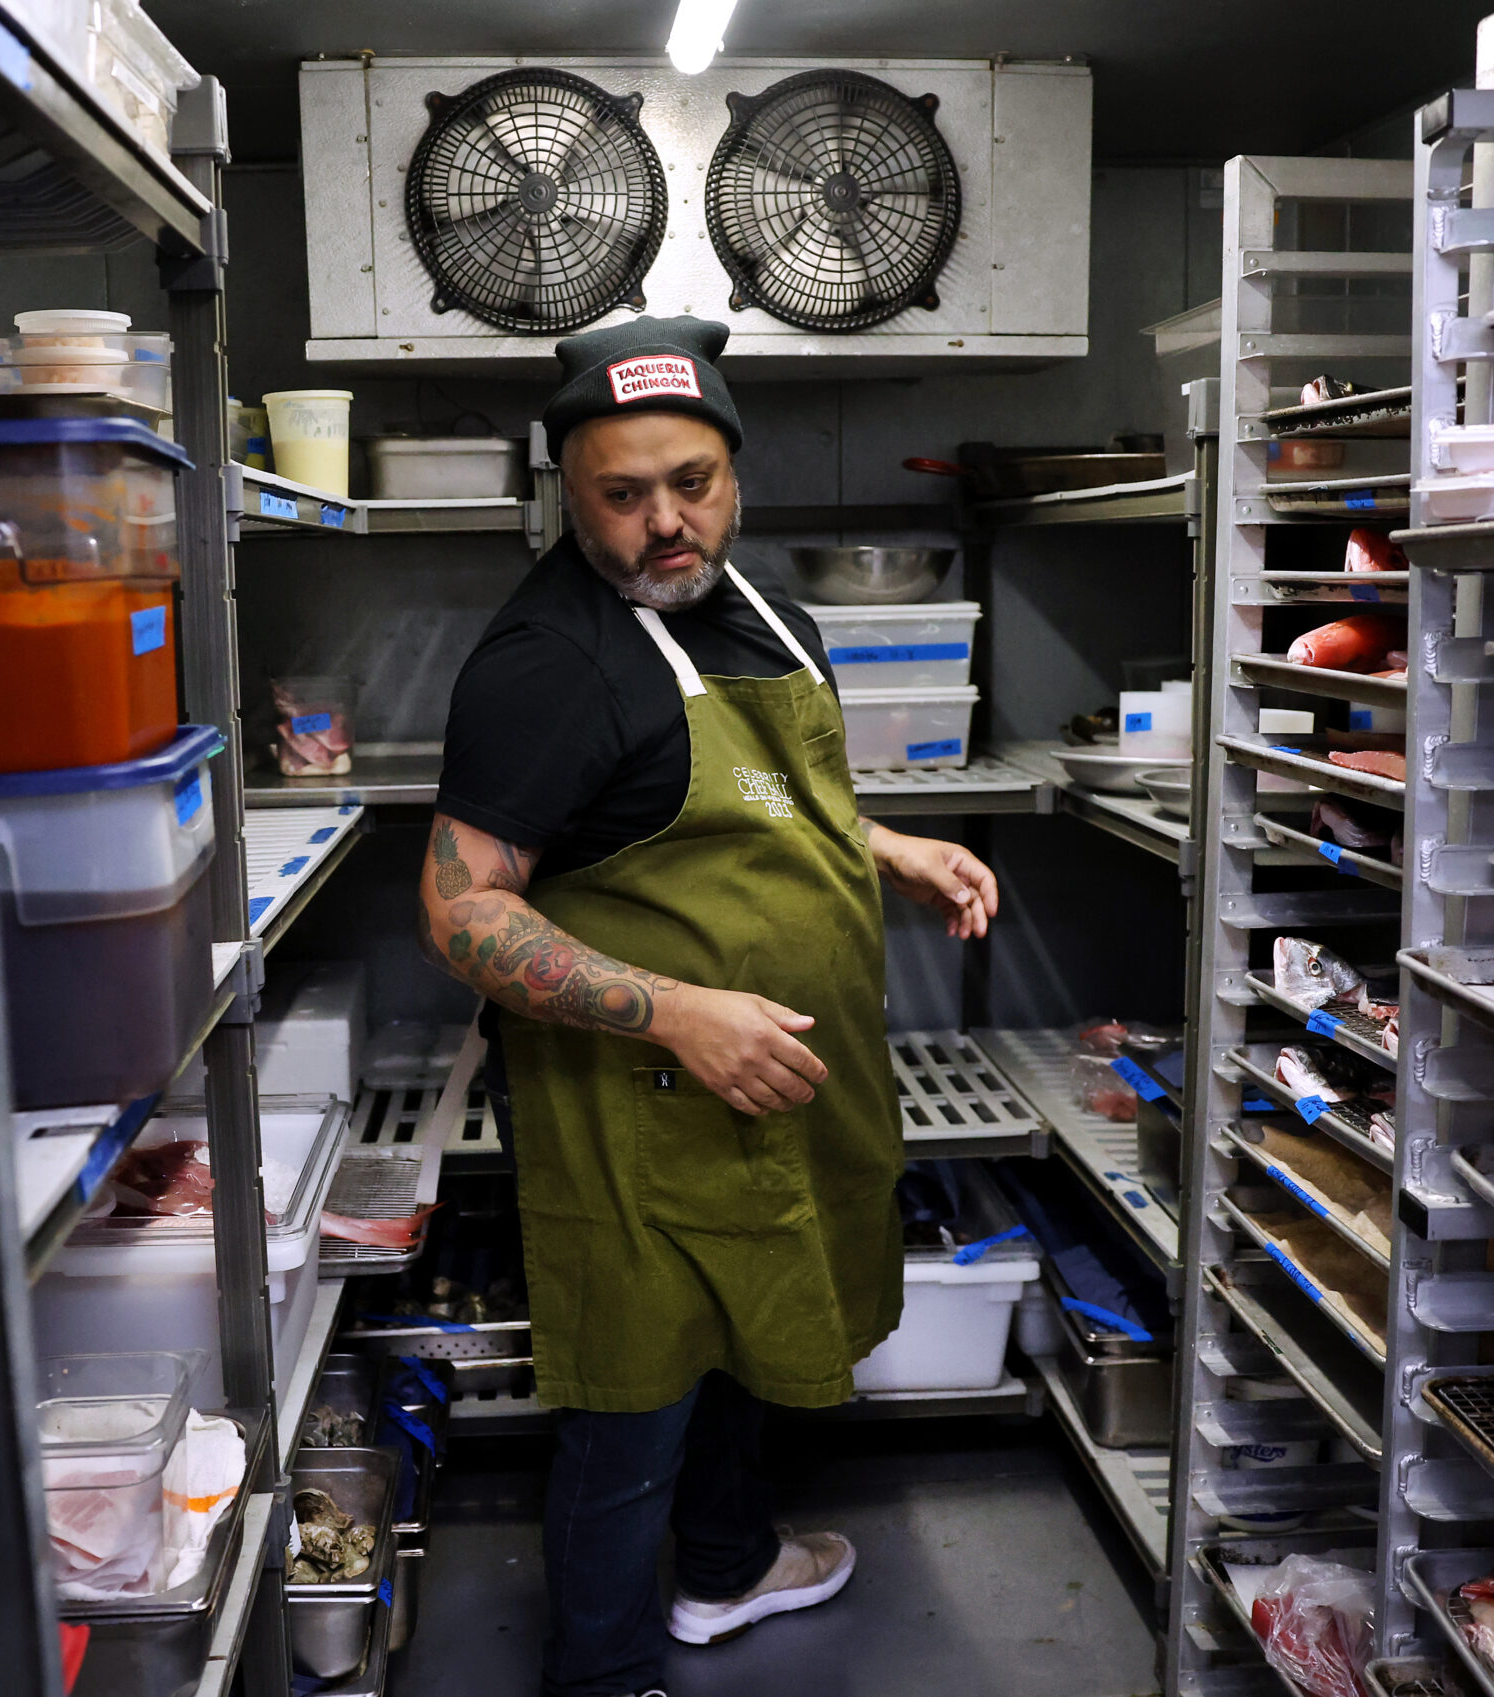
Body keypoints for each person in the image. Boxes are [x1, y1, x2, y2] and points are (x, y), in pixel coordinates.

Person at [417, 316, 999, 1697]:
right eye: (624, 494)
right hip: (638, 1101)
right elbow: (461, 909)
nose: (665, 522)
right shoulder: (546, 660)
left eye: (694, 481)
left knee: (754, 1341)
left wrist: (888, 845)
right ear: (571, 489)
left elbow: (769, 805)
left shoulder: (759, 608)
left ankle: (727, 1572)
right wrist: (680, 1012)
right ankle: (605, 1668)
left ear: (735, 470)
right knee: (637, 1402)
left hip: (783, 1075)